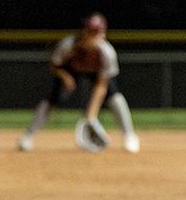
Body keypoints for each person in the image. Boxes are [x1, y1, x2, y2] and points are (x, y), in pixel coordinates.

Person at [18, 12, 141, 153]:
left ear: (103, 34)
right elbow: (54, 64)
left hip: (96, 73)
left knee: (114, 96)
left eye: (97, 32)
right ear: (84, 31)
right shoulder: (68, 45)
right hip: (70, 69)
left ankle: (130, 136)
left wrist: (91, 116)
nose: (93, 35)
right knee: (53, 98)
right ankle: (28, 136)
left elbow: (101, 87)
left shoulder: (107, 53)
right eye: (91, 31)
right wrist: (64, 76)